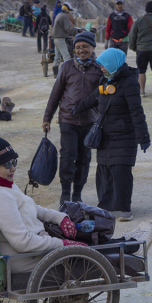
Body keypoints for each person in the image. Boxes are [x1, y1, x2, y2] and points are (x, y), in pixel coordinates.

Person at [0, 137, 86, 274]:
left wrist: (59, 218)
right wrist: (62, 245)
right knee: (93, 255)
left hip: (36, 248)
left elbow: (29, 207)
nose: (13, 168)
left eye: (14, 162)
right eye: (7, 164)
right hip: (28, 260)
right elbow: (23, 242)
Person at [75, 48, 150, 221]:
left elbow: (136, 111)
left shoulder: (129, 82)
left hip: (124, 135)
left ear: (113, 64)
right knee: (104, 172)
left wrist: (143, 137)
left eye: (104, 65)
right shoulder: (106, 80)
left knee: (120, 172)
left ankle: (124, 209)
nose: (101, 69)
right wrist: (77, 108)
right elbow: (94, 97)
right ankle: (106, 207)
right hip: (105, 135)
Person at [43, 31, 103, 204]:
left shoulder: (100, 68)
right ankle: (65, 193)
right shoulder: (67, 66)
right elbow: (56, 93)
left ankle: (77, 193)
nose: (81, 50)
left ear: (93, 47)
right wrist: (47, 117)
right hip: (68, 119)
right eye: (77, 47)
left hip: (90, 121)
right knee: (68, 155)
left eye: (85, 47)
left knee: (84, 157)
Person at [129, 0, 152, 98]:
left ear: (145, 9)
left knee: (141, 70)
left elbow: (132, 35)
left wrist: (133, 47)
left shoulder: (139, 21)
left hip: (141, 49)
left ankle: (142, 91)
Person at [51, 2, 76, 78]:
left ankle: (56, 73)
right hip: (60, 38)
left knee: (58, 57)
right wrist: (76, 31)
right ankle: (68, 73)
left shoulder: (59, 14)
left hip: (55, 38)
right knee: (66, 56)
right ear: (66, 9)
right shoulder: (64, 16)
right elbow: (67, 28)